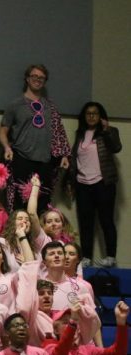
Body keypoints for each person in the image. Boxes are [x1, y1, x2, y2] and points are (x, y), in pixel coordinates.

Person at [0, 64, 71, 212]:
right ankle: (18, 233)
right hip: (21, 159)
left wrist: (64, 155)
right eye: (34, 76)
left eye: (41, 77)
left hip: (45, 162)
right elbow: (3, 130)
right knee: (20, 203)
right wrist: (6, 147)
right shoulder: (15, 104)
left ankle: (40, 235)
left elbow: (58, 132)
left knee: (43, 202)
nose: (37, 80)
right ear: (27, 78)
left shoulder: (50, 106)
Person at [70, 102, 122, 267]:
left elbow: (116, 147)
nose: (91, 116)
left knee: (106, 220)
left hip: (103, 183)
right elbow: (75, 159)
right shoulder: (80, 134)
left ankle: (111, 257)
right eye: (88, 113)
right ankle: (86, 257)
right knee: (86, 222)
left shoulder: (109, 132)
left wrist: (106, 130)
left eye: (95, 113)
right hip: (83, 184)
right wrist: (70, 180)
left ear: (101, 117)